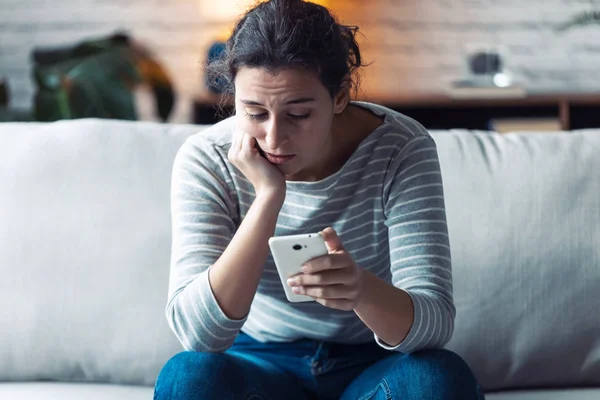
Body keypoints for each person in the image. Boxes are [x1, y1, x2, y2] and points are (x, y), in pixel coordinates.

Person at [154, 0, 485, 399]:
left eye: (299, 114)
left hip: (371, 361)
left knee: (437, 378)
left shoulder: (401, 148)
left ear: (340, 96)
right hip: (260, 360)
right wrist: (268, 197)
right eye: (254, 112)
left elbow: (435, 324)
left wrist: (362, 290)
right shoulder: (207, 158)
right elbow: (198, 335)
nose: (274, 139)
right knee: (189, 377)